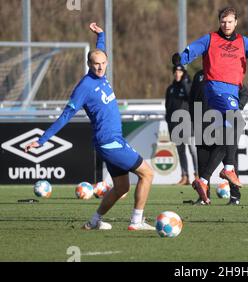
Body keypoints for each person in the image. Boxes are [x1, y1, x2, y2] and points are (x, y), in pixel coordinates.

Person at [25, 23, 155, 231]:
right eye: (95, 64)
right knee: (147, 174)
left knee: (122, 186)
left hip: (113, 140)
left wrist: (101, 34)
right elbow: (65, 116)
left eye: (103, 63)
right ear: (88, 64)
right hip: (109, 142)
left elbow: (100, 50)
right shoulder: (84, 87)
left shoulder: (102, 74)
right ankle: (136, 221)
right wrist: (42, 140)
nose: (100, 67)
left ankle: (94, 222)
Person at [172, 7, 248, 204]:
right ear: (219, 21)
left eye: (229, 21)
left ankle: (203, 180)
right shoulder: (210, 39)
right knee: (236, 123)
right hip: (216, 89)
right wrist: (180, 59)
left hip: (233, 93)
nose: (226, 25)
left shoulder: (244, 42)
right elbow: (190, 51)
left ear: (236, 22)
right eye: (223, 21)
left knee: (230, 134)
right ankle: (228, 169)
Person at [189, 69, 248, 205]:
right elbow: (192, 97)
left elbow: (244, 92)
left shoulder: (225, 73)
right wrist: (193, 118)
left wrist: (236, 108)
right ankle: (204, 197)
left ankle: (235, 196)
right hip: (201, 123)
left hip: (220, 121)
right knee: (202, 161)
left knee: (228, 159)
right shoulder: (198, 75)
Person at [165, 64, 198, 185]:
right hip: (175, 125)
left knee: (192, 150)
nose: (177, 74)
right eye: (176, 72)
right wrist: (169, 124)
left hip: (188, 123)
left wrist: (184, 82)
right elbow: (168, 109)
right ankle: (185, 176)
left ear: (184, 73)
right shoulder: (171, 88)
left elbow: (191, 97)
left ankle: (197, 175)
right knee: (180, 151)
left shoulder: (188, 86)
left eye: (180, 72)